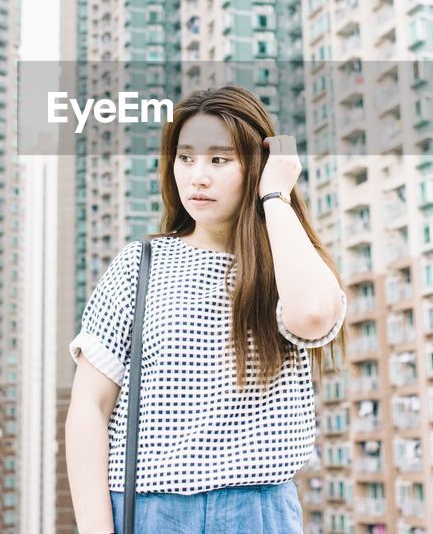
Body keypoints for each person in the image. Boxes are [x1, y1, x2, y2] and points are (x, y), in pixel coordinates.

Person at [65, 85, 348, 533]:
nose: (198, 176)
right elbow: (89, 406)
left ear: (255, 166)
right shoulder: (139, 264)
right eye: (185, 157)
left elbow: (312, 315)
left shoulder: (290, 263)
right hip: (149, 508)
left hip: (257, 509)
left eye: (219, 160)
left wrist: (274, 197)